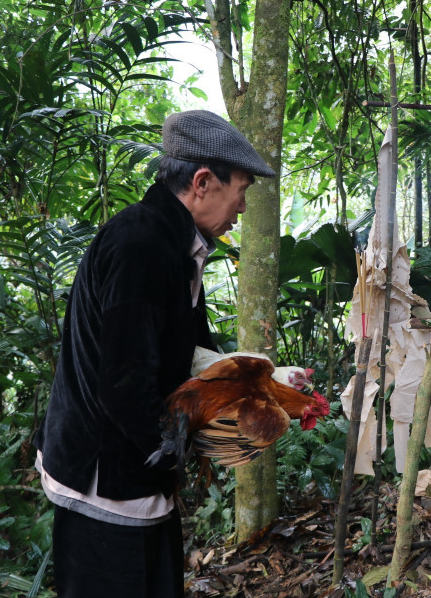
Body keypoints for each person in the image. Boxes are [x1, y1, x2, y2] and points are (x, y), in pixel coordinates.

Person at [33, 110, 276, 597]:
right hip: (105, 485)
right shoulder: (140, 245)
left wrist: (265, 385)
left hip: (140, 481)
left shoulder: (176, 243)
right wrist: (177, 451)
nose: (244, 207)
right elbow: (125, 385)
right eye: (242, 190)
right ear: (203, 183)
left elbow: (192, 355)